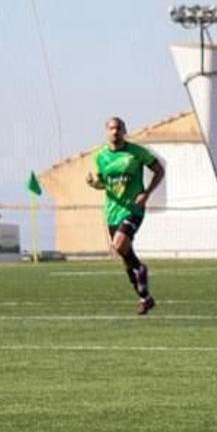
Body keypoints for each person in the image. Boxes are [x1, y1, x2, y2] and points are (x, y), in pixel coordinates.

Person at [87, 116, 164, 314]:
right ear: (107, 131)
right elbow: (104, 184)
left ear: (124, 131)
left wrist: (146, 193)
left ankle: (141, 272)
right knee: (124, 255)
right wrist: (93, 183)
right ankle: (144, 296)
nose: (115, 132)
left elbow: (159, 170)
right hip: (112, 211)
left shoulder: (136, 152)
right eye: (112, 128)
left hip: (133, 208)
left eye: (118, 128)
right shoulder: (100, 157)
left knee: (119, 245)